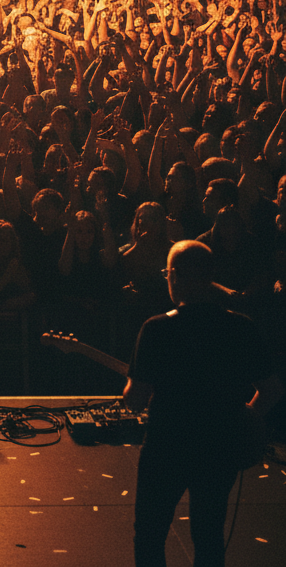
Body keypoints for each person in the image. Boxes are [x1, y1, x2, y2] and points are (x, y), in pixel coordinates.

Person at [123, 240, 283, 567]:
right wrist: (246, 416)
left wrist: (128, 390)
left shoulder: (157, 329)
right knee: (209, 535)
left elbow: (136, 401)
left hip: (166, 446)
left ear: (176, 276)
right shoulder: (241, 326)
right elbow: (271, 390)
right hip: (219, 446)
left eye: (168, 272)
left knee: (151, 534)